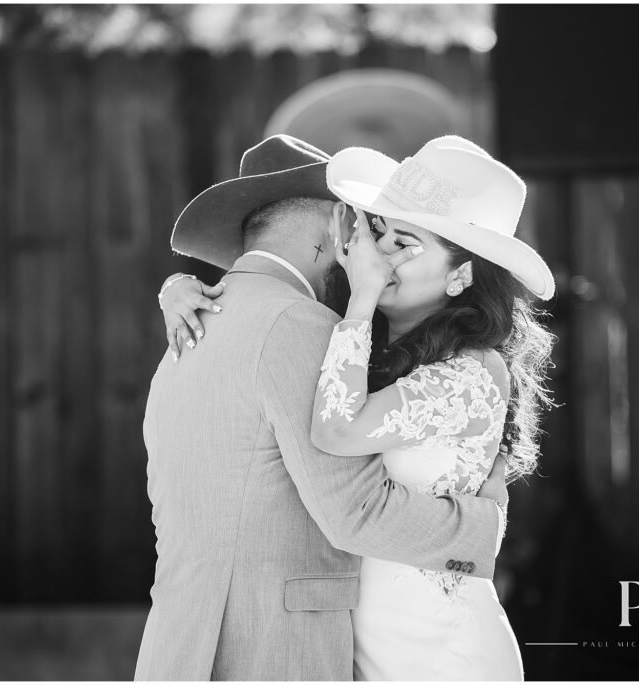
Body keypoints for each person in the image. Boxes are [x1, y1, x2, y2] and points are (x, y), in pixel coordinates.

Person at [160, 135, 557, 679]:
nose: (382, 255)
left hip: (435, 647)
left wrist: (365, 295)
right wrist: (179, 286)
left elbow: (338, 432)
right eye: (381, 234)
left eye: (408, 244)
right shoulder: (355, 347)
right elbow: (265, 320)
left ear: (461, 275)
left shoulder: (474, 371)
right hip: (359, 645)